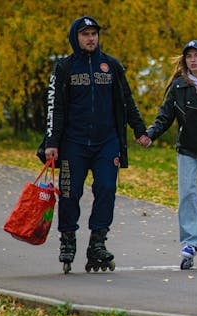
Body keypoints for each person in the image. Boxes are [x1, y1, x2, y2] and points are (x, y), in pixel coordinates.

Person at [43, 16, 150, 274]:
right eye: (85, 34)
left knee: (106, 189)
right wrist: (51, 142)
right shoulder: (65, 68)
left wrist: (140, 129)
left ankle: (97, 244)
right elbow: (54, 106)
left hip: (106, 143)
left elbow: (126, 100)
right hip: (73, 144)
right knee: (70, 193)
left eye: (94, 34)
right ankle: (67, 241)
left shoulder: (111, 66)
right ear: (75, 38)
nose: (91, 38)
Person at [140, 40, 197, 269]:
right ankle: (191, 242)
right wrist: (150, 134)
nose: (192, 60)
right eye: (188, 56)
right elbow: (165, 116)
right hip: (187, 146)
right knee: (187, 194)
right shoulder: (179, 85)